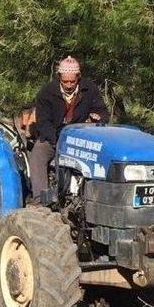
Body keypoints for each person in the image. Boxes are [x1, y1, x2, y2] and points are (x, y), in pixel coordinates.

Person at [29, 56, 109, 201]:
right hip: (54, 136)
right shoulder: (46, 93)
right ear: (59, 77)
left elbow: (102, 112)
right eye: (65, 81)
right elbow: (43, 123)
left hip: (80, 137)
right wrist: (57, 140)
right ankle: (41, 198)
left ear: (78, 77)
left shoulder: (89, 89)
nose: (69, 85)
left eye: (73, 81)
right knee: (38, 153)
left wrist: (98, 117)